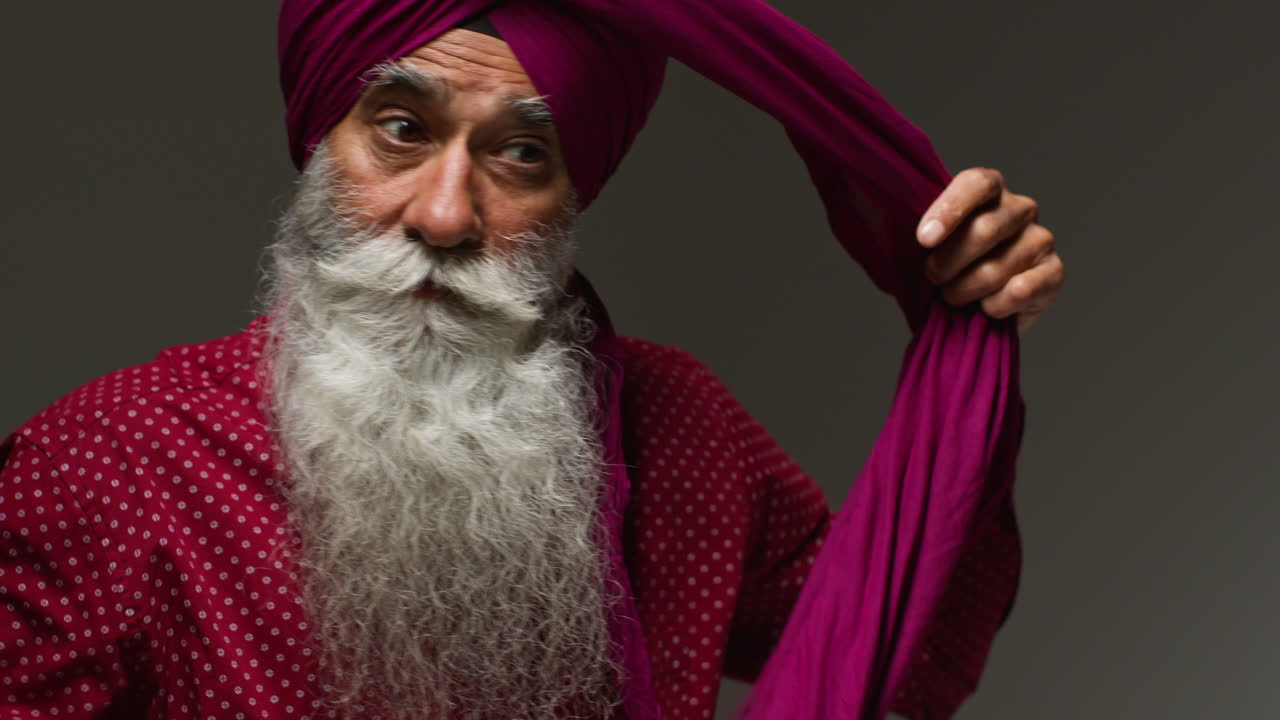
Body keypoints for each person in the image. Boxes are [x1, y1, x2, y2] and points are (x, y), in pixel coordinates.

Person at [0, 2, 1063, 719]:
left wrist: (959, 331)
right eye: (402, 129)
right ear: (322, 142)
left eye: (519, 153)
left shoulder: (680, 427)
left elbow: (906, 659)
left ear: (574, 193)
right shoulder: (100, 466)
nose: (446, 215)